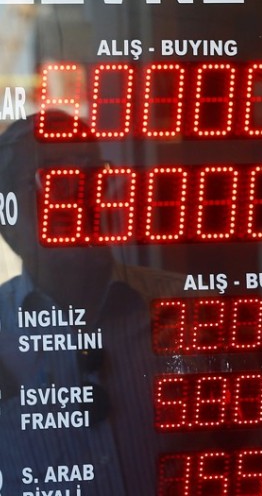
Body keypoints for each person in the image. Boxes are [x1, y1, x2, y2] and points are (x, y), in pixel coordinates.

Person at [0, 113, 185, 495]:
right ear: (8, 220)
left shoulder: (189, 307)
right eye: (51, 180)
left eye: (92, 174)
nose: (81, 195)